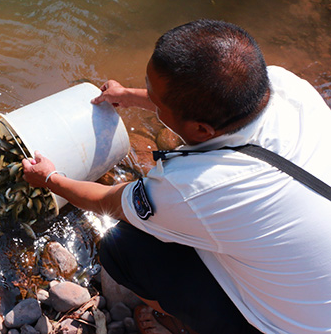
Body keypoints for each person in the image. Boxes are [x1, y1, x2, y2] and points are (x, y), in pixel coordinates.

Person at [22, 19, 331, 334]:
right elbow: (201, 104)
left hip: (294, 328)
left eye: (157, 102)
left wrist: (51, 179)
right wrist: (127, 95)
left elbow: (111, 201)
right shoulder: (285, 86)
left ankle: (187, 325)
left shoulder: (196, 187)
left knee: (123, 248)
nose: (153, 102)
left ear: (201, 129)